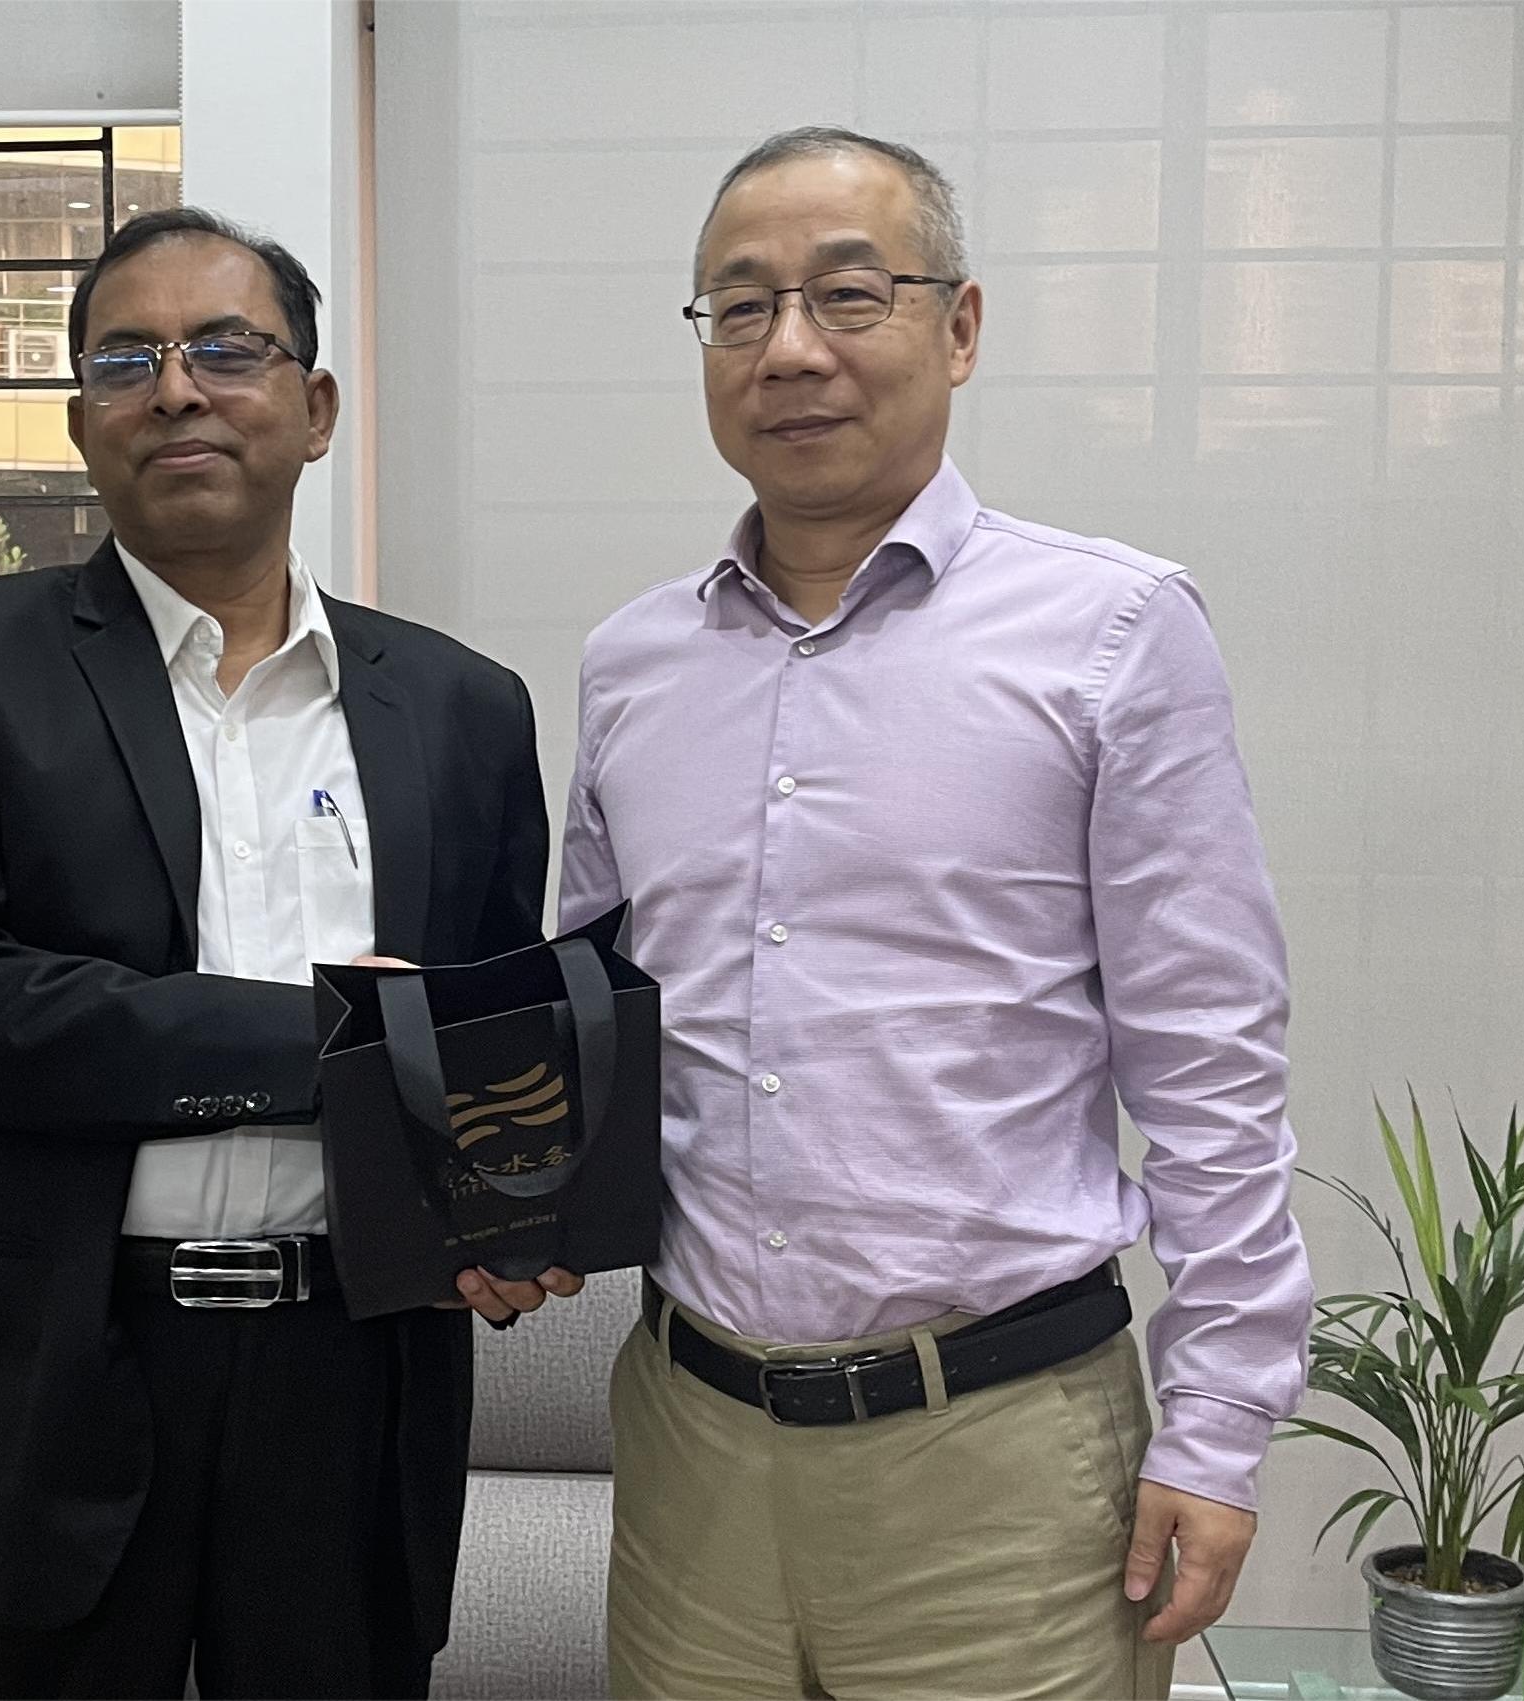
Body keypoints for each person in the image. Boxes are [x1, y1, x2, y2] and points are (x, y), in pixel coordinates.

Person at [559, 127, 1313, 1700]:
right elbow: (592, 1017)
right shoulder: (633, 666)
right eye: (740, 306)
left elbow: (1211, 1060)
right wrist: (503, 1199)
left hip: (1001, 1468)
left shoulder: (1111, 632)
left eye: (850, 295)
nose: (790, 350)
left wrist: (1221, 1421)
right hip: (693, 1450)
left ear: (959, 327)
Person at [0, 207, 574, 1701]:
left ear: (315, 407)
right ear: (81, 422)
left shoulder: (464, 706)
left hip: (356, 1370)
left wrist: (509, 1214)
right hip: (55, 1365)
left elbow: (486, 1025)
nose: (176, 389)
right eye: (127, 359)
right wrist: (330, 1034)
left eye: (227, 350)